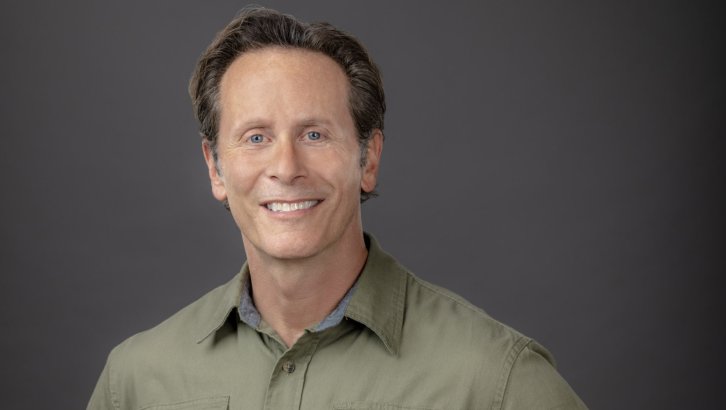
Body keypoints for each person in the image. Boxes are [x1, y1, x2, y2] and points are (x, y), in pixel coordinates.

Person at [88, 7, 587, 410]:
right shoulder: (135, 383)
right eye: (256, 137)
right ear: (215, 168)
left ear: (368, 158)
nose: (286, 167)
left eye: (314, 134)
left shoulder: (495, 381)